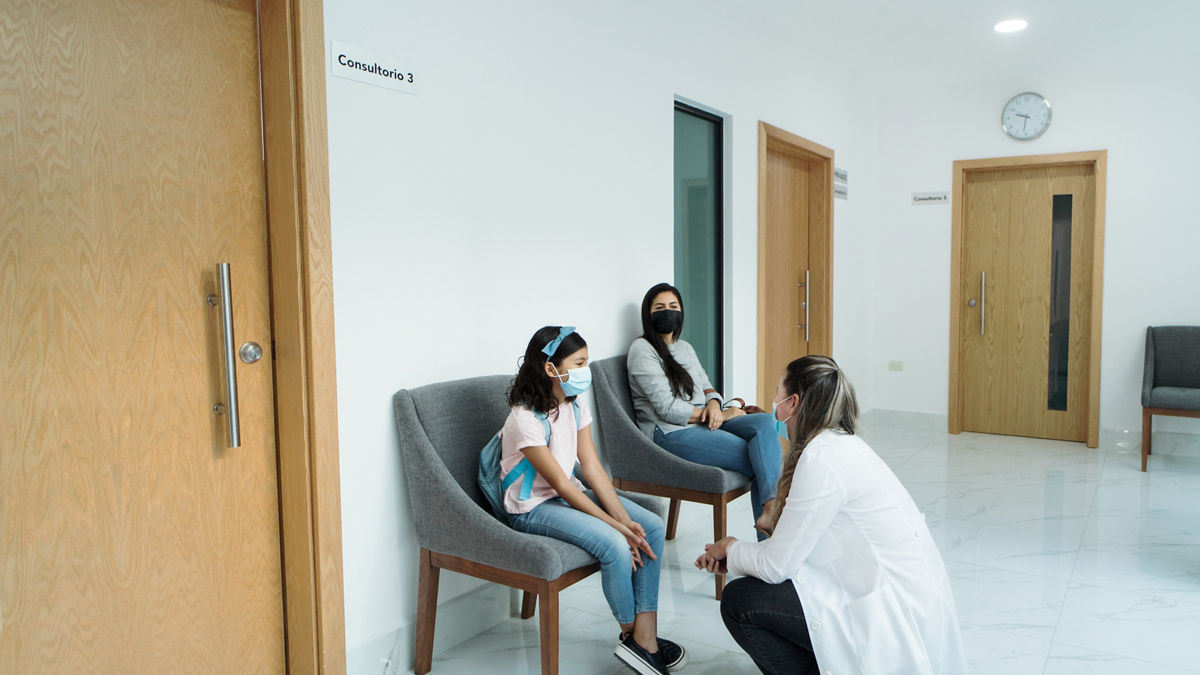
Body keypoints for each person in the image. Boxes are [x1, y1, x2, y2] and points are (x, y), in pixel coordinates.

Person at [694, 355, 967, 675]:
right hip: (908, 601)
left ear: (792, 402)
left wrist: (730, 547)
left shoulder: (820, 459)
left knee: (740, 599)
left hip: (891, 617)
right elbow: (797, 548)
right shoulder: (841, 444)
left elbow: (775, 566)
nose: (774, 404)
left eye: (777, 393)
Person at [501, 326, 687, 675]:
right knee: (616, 544)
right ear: (551, 369)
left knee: (652, 526)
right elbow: (561, 483)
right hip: (532, 508)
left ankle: (644, 637)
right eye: (580, 362)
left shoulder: (573, 404)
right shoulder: (523, 418)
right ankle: (635, 637)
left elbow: (592, 468)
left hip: (563, 493)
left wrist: (625, 519)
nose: (587, 369)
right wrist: (618, 527)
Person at [627, 283, 782, 537]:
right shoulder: (642, 350)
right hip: (670, 432)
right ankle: (769, 542)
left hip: (705, 420)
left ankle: (769, 510)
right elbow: (666, 408)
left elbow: (708, 387)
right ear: (648, 314)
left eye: (673, 307)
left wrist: (714, 405)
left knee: (763, 423)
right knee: (760, 456)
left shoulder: (684, 347)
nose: (668, 312)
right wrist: (714, 414)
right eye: (660, 308)